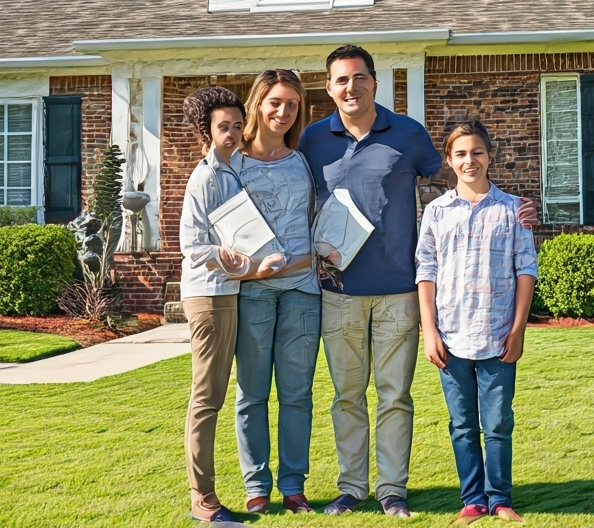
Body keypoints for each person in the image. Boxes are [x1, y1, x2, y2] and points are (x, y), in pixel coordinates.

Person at [297, 45, 442, 518]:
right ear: (329, 87)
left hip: (399, 289)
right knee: (346, 396)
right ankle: (352, 487)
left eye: (359, 78)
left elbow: (451, 182)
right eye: (341, 80)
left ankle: (392, 489)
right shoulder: (313, 140)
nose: (351, 87)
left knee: (395, 395)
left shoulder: (408, 134)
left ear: (375, 82)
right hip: (338, 292)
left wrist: (504, 204)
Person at [416, 118, 537, 525]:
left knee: (499, 423)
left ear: (490, 156)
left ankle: (500, 498)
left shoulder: (512, 210)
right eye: (461, 154)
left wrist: (518, 329)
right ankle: (472, 500)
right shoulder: (435, 212)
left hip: (498, 335)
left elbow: (526, 270)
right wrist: (429, 330)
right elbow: (425, 272)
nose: (471, 161)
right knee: (463, 424)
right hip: (450, 337)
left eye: (478, 152)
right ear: (449, 160)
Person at [177, 86, 277, 524]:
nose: (234, 133)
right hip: (209, 296)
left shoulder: (232, 169)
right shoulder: (204, 177)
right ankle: (203, 500)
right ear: (206, 129)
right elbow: (193, 245)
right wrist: (236, 260)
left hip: (230, 292)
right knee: (207, 398)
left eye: (238, 125)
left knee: (221, 395)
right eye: (224, 126)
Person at [232, 68, 322, 515]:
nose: (283, 112)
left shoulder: (302, 160)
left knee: (296, 393)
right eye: (275, 102)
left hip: (303, 291)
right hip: (252, 292)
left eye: (292, 104)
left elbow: (315, 224)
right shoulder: (233, 161)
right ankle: (255, 487)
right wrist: (251, 271)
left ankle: (292, 486)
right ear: (258, 103)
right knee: (251, 393)